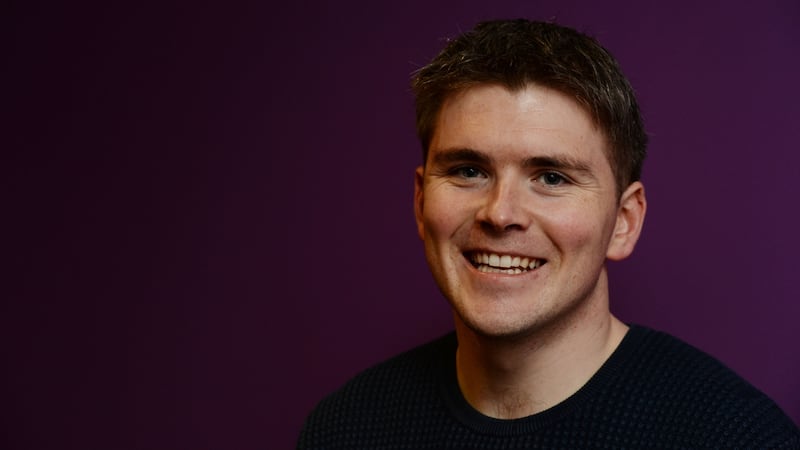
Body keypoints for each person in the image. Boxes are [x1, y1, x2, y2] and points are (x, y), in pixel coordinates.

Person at [297, 19, 800, 448]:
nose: (500, 213)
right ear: (420, 199)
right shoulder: (345, 430)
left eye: (552, 177)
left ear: (624, 222)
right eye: (469, 170)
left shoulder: (734, 436)